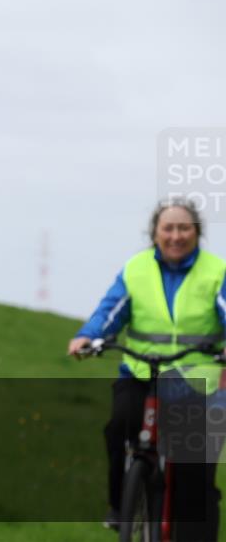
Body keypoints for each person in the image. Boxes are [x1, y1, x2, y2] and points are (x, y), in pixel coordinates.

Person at [68, 198, 226, 541]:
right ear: (155, 233)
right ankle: (119, 505)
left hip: (195, 382)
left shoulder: (217, 272)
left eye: (184, 228)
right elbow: (110, 311)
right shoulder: (136, 270)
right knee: (118, 427)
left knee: (194, 477)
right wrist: (88, 336)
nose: (176, 235)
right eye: (168, 228)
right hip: (142, 374)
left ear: (197, 232)